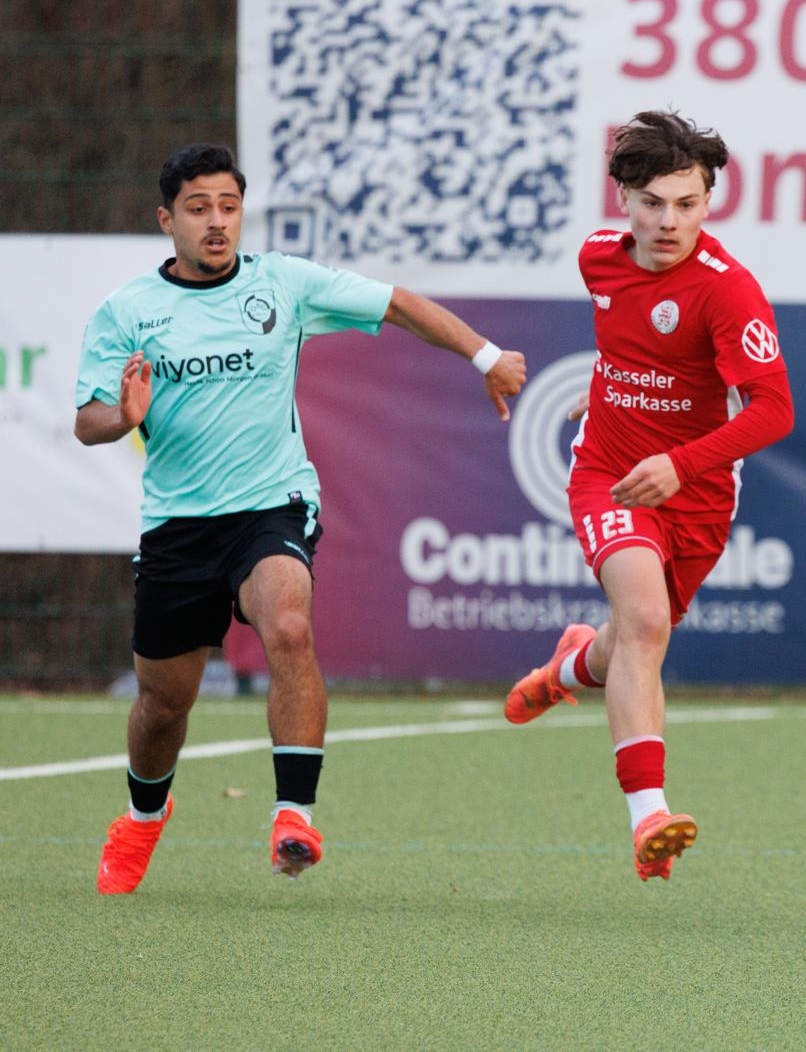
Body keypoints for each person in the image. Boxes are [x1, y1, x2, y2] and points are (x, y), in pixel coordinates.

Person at [76, 143, 527, 893]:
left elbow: (397, 303)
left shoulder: (283, 283)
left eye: (228, 207)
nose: (216, 222)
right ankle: (143, 818)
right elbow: (87, 421)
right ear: (166, 220)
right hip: (178, 525)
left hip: (272, 503)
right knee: (162, 703)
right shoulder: (127, 311)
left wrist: (485, 357)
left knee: (288, 624)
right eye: (198, 208)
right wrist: (121, 416)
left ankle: (294, 816)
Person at [501, 111, 795, 881]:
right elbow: (626, 345)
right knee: (644, 620)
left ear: (708, 202)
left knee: (632, 640)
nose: (670, 222)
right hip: (608, 472)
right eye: (654, 203)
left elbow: (774, 410)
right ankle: (649, 818)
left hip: (696, 495)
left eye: (688, 204)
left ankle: (568, 668)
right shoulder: (597, 258)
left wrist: (682, 464)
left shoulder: (728, 292)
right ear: (624, 199)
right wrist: (605, 392)